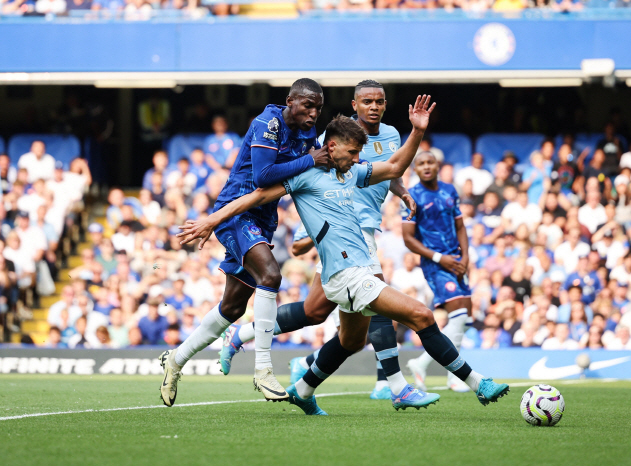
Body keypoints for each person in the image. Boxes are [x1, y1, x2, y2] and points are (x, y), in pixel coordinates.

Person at [179, 100, 509, 416]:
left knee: (351, 341)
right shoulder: (303, 176)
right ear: (332, 146)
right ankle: (476, 383)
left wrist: (417, 132)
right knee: (421, 315)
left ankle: (303, 390)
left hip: (359, 267)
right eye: (351, 153)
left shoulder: (351, 172)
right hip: (345, 275)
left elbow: (394, 167)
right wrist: (211, 220)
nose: (355, 159)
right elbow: (255, 197)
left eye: (358, 154)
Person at [216, 80, 433, 404]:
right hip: (340, 232)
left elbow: (389, 170)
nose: (374, 106)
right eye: (367, 101)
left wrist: (400, 191)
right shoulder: (330, 139)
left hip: (365, 227)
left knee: (316, 312)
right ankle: (394, 384)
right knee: (376, 296)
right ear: (354, 104)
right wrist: (307, 234)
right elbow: (308, 184)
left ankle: (260, 344)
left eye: (380, 101)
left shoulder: (390, 135)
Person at [157, 78, 331, 406]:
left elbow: (304, 176)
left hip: (263, 218)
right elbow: (264, 176)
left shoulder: (308, 132)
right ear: (290, 101)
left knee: (233, 307)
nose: (313, 114)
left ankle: (176, 360)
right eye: (307, 105)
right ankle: (263, 369)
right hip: (236, 211)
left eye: (318, 108)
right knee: (271, 276)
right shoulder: (268, 123)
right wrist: (313, 160)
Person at [402, 150, 472, 393]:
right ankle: (454, 376)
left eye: (430, 162)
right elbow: (408, 239)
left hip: (456, 260)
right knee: (459, 314)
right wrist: (440, 258)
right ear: (416, 169)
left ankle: (420, 364)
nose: (426, 166)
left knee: (462, 320)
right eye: (420, 163)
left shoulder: (450, 190)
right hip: (435, 263)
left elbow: (460, 226)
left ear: (438, 165)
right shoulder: (412, 195)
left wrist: (465, 257)